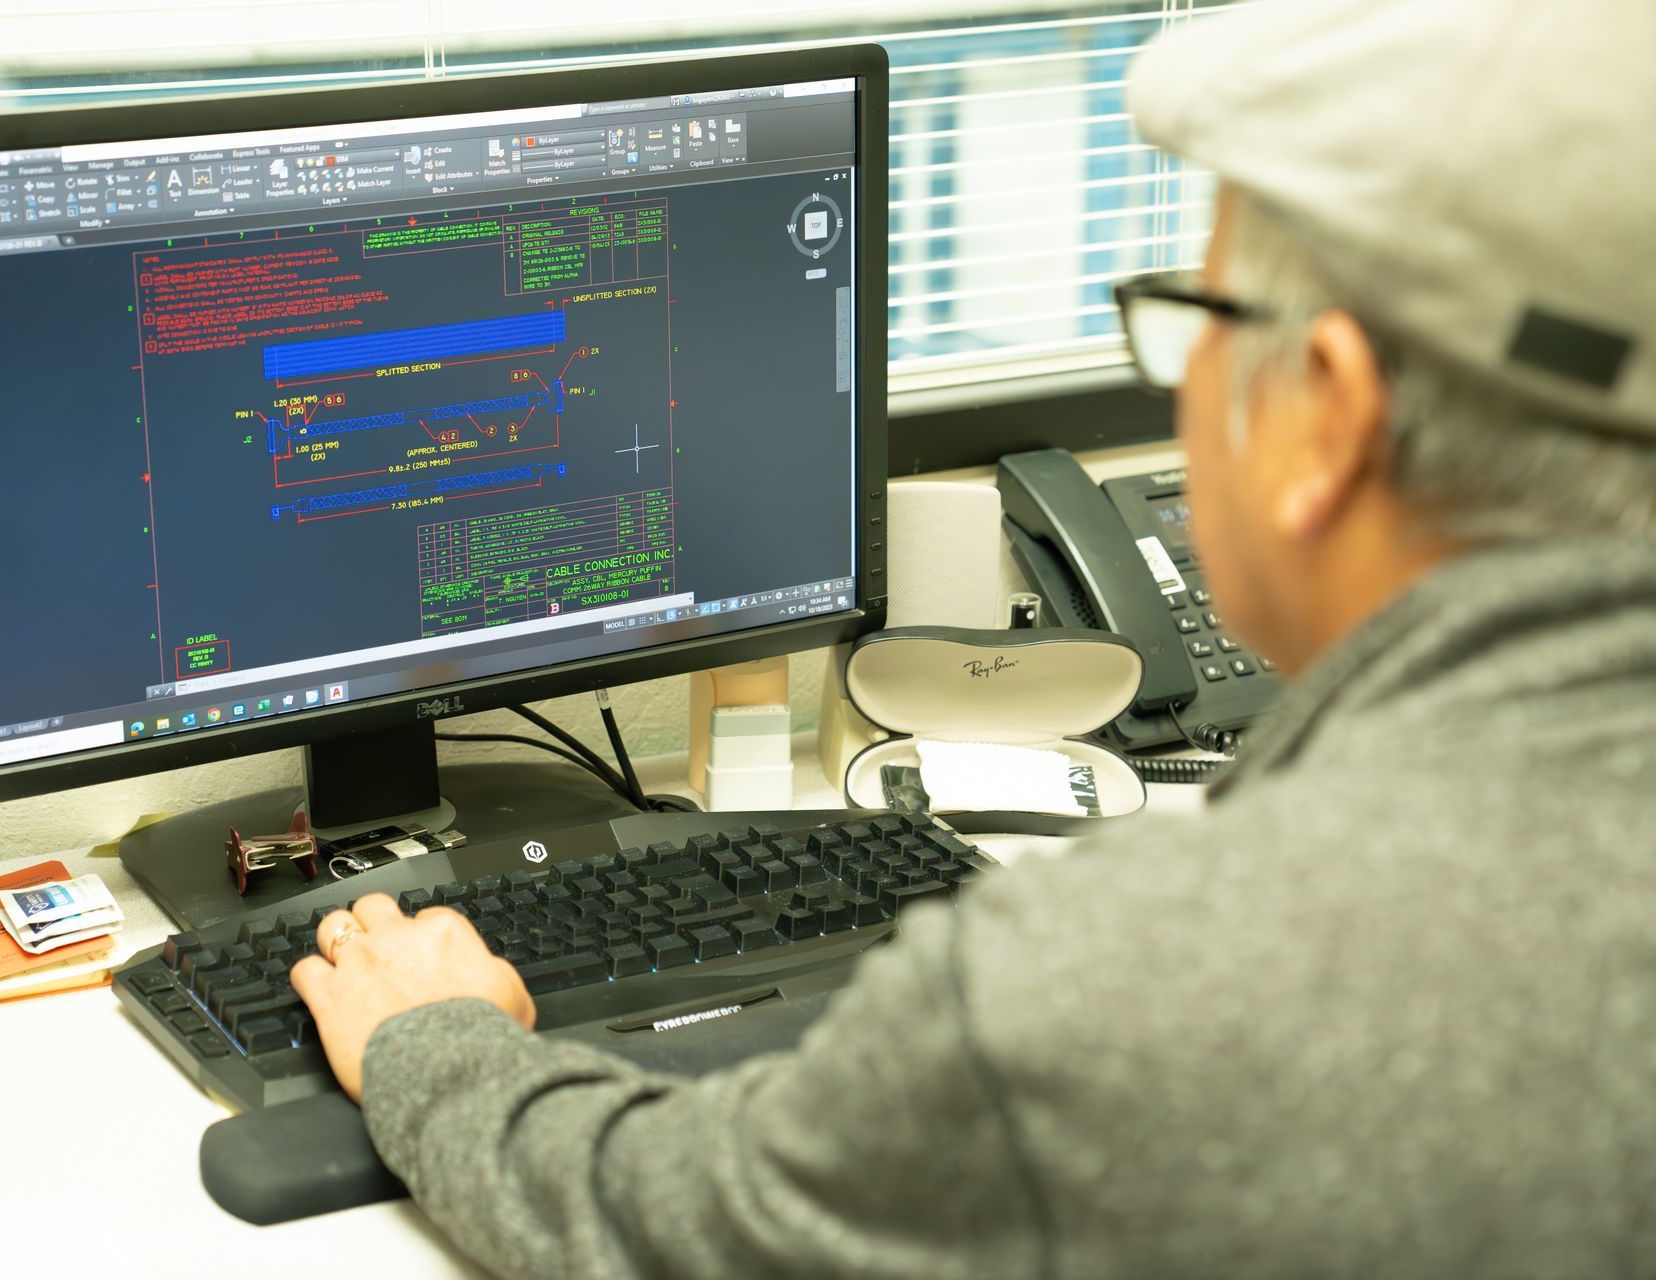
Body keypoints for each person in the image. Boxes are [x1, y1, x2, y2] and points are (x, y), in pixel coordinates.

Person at [291, 0, 1656, 1274]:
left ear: (1327, 413)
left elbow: (645, 1217)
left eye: (1198, 328)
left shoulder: (1129, 983)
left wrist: (432, 1041)